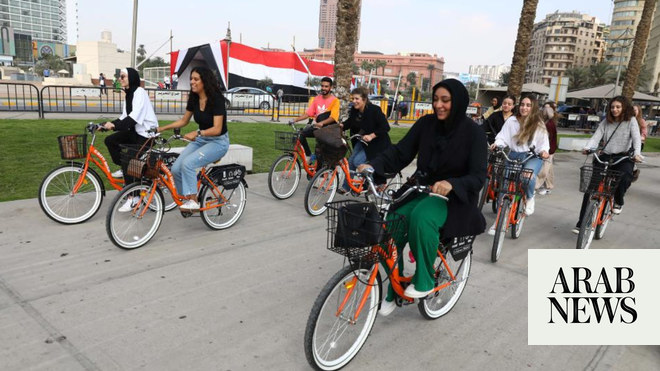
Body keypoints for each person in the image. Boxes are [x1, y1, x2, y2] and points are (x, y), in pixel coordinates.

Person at [357, 79, 487, 315]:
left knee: (422, 217)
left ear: (457, 102)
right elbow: (400, 152)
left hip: (453, 198)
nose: (439, 105)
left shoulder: (474, 133)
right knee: (391, 225)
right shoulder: (426, 124)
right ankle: (394, 290)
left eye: (445, 100)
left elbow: (478, 176)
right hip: (420, 188)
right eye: (435, 99)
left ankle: (425, 281)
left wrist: (452, 183)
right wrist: (373, 165)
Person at [157, 66, 230, 211]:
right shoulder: (194, 98)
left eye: (196, 79)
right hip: (202, 140)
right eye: (191, 79)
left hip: (218, 142)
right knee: (176, 168)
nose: (192, 82)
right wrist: (160, 128)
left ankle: (193, 201)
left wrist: (197, 133)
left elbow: (217, 129)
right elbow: (184, 121)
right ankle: (186, 198)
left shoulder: (216, 99)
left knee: (188, 164)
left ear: (205, 81)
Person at [571, 96, 643, 234]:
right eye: (612, 107)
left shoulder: (631, 121)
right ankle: (581, 223)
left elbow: (636, 139)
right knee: (590, 190)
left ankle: (618, 200)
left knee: (626, 176)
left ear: (624, 108)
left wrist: (637, 154)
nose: (614, 109)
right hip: (606, 154)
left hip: (623, 156)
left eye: (618, 107)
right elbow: (596, 136)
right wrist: (588, 147)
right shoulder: (606, 121)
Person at [488, 94, 550, 235]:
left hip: (532, 156)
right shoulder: (512, 121)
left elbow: (544, 144)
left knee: (527, 176)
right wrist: (496, 144)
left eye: (528, 105)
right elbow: (503, 137)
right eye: (522, 104)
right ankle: (498, 222)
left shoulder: (538, 124)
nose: (524, 107)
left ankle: (529, 197)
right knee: (504, 190)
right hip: (514, 155)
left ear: (533, 107)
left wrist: (544, 152)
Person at [102, 67, 159, 211]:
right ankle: (124, 168)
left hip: (146, 134)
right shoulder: (128, 93)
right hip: (135, 131)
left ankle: (134, 197)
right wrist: (104, 125)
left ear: (131, 78)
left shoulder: (139, 92)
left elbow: (133, 118)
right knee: (110, 141)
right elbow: (124, 117)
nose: (120, 79)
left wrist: (114, 126)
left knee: (129, 159)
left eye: (123, 77)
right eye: (119, 77)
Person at [339, 86, 391, 194]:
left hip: (377, 143)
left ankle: (375, 183)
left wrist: (372, 135)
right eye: (353, 99)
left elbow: (385, 127)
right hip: (362, 141)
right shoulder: (355, 110)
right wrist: (342, 125)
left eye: (357, 99)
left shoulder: (374, 110)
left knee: (358, 161)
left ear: (364, 99)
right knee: (351, 162)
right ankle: (347, 187)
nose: (354, 101)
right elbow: (351, 121)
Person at [289, 77, 339, 162]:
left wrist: (322, 123)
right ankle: (309, 155)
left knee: (320, 152)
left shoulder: (335, 101)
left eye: (326, 86)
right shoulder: (317, 99)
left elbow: (333, 117)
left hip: (328, 130)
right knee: (301, 134)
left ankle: (319, 172)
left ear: (331, 88)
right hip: (317, 128)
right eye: (322, 86)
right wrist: (295, 120)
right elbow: (308, 113)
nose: (324, 88)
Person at [536, 101, 558, 195]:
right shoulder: (548, 123)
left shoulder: (549, 124)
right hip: (549, 149)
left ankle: (536, 185)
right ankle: (549, 186)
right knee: (549, 169)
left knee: (544, 170)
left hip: (548, 150)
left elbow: (548, 138)